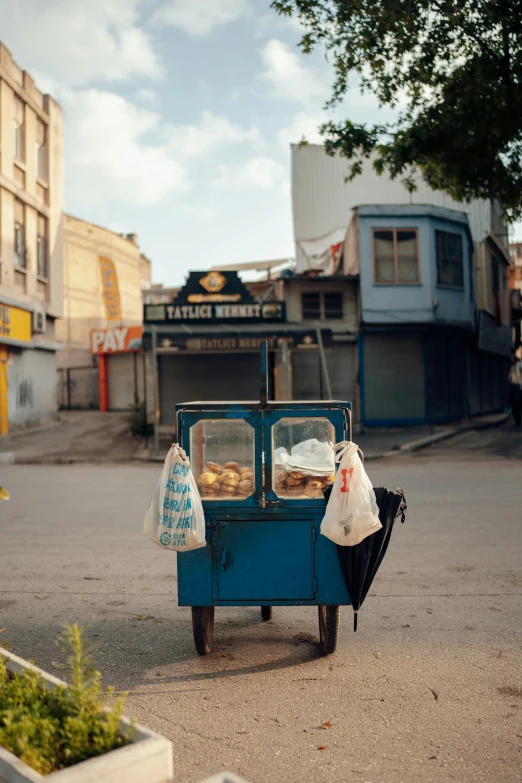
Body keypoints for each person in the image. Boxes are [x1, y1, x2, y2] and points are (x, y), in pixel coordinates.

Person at [508, 356, 522, 426]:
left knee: (517, 403)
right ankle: (517, 421)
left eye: (512, 359)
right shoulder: (512, 367)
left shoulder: (519, 365)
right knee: (514, 405)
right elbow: (509, 377)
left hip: (519, 386)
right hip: (513, 386)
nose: (511, 360)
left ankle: (518, 420)